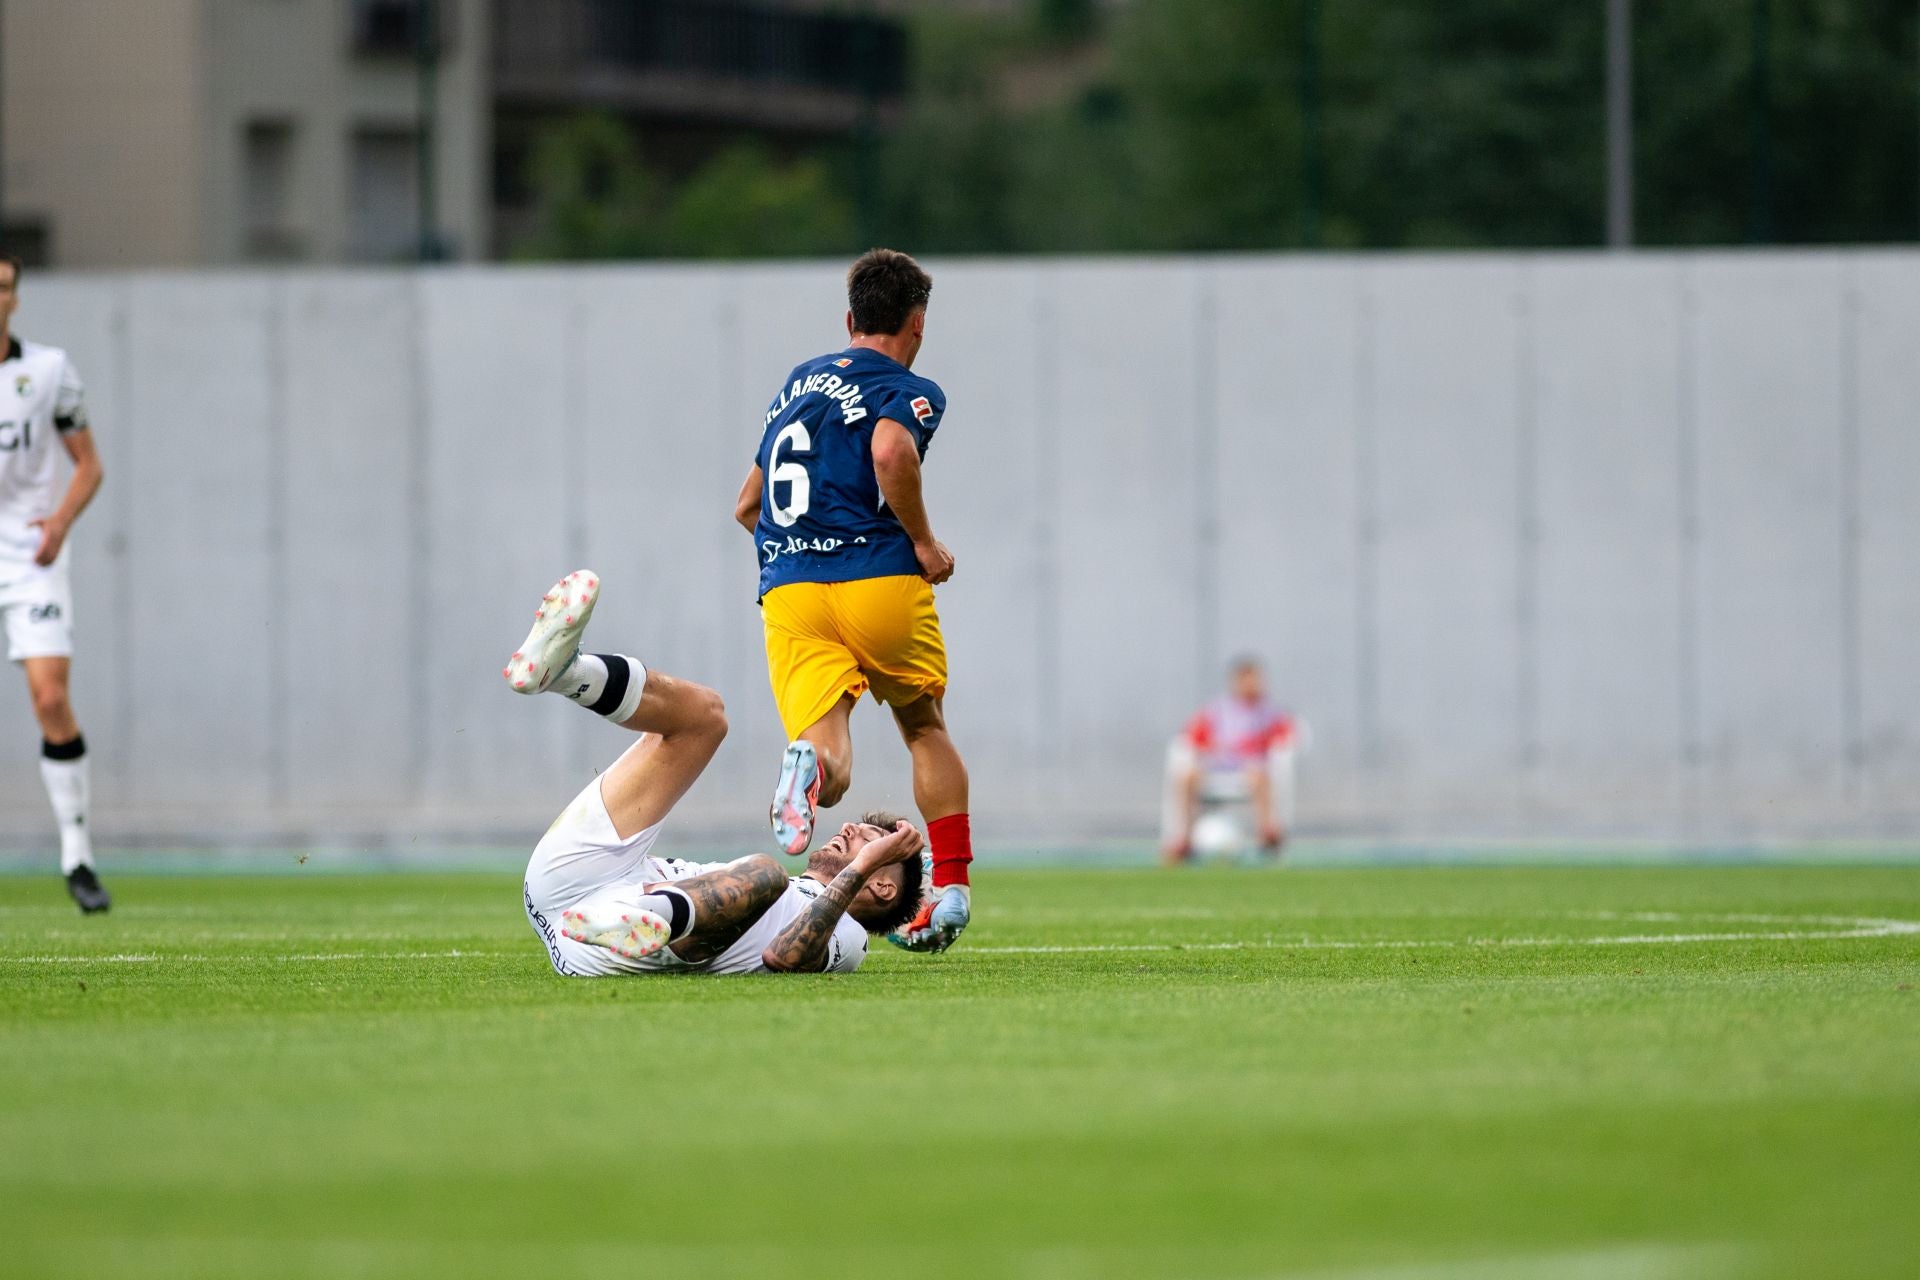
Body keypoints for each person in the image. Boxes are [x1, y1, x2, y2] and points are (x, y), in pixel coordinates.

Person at [505, 570, 926, 976]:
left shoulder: (850, 937)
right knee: (706, 717)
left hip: (612, 945)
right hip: (575, 881)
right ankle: (567, 673)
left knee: (766, 873)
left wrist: (865, 862)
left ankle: (643, 917)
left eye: (868, 840)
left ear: (882, 887)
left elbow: (786, 958)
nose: (851, 828)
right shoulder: (785, 888)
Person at [730, 247, 971, 953]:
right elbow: (893, 453)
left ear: (850, 318)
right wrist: (923, 544)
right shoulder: (910, 387)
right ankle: (950, 892)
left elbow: (747, 504)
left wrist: (798, 553)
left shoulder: (797, 386)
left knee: (829, 774)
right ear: (917, 323)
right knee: (923, 728)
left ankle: (803, 770)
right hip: (877, 579)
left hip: (791, 589)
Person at [0, 252, 108, 912]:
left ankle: (77, 856)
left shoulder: (48, 371)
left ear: (15, 298)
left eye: (5, 286)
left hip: (30, 556)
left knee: (49, 700)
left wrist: (60, 523)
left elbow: (89, 466)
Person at [1163, 656, 1298, 863]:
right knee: (1188, 776)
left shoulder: (1270, 711)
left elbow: (1288, 736)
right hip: (1217, 767)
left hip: (1251, 768)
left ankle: (1267, 834)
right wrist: (1213, 748)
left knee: (1258, 775)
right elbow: (1192, 736)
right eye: (1247, 679)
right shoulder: (1218, 709)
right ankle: (1185, 839)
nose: (1253, 684)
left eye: (1256, 679)